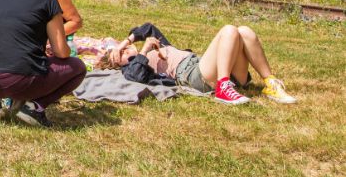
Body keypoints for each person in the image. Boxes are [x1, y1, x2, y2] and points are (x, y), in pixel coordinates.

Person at [99, 24, 296, 105]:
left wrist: (125, 42)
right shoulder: (130, 68)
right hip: (193, 75)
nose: (125, 52)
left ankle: (270, 84)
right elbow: (136, 77)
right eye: (121, 56)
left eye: (123, 50)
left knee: (244, 31)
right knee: (229, 30)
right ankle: (223, 88)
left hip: (204, 65)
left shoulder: (158, 46)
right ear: (118, 65)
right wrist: (142, 52)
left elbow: (148, 27)